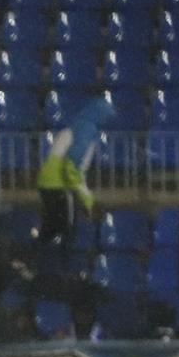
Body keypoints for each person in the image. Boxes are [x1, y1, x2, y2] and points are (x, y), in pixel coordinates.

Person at [36, 96, 114, 250]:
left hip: (46, 182)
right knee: (67, 229)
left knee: (50, 228)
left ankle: (33, 262)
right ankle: (64, 268)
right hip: (60, 185)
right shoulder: (87, 130)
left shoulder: (75, 126)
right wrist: (89, 202)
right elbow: (71, 169)